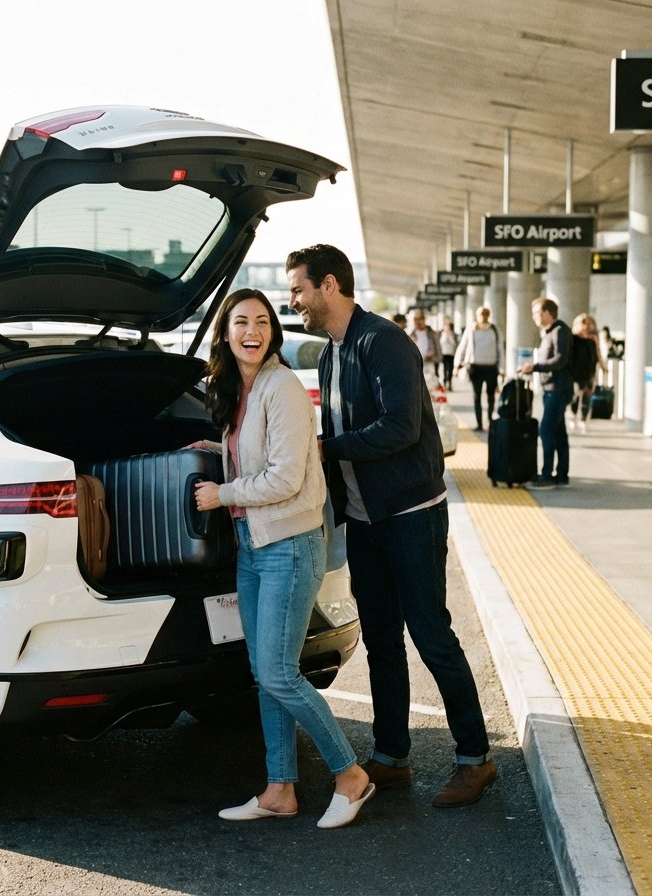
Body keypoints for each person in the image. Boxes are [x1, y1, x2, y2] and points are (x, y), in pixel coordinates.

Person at [285, 244, 496, 809]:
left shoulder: (385, 342)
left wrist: (326, 447)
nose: (294, 300)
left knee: (431, 634)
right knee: (381, 640)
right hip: (366, 520)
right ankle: (391, 755)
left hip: (410, 515)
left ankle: (475, 758)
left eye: (298, 290)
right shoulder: (329, 354)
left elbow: (400, 427)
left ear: (329, 285)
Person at [189, 287, 374, 830]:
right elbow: (255, 457)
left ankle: (350, 775)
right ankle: (279, 790)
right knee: (263, 673)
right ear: (225, 332)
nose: (253, 331)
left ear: (273, 331)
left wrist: (221, 494)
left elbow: (287, 476)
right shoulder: (239, 392)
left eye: (263, 321)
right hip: (254, 547)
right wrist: (212, 454)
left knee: (277, 671)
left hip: (290, 546)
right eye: (241, 321)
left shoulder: (283, 387)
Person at [519, 297, 572, 488]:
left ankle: (547, 474)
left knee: (546, 429)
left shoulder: (559, 331)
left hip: (558, 389)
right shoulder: (549, 332)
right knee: (558, 432)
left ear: (548, 312)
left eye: (537, 312)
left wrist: (535, 367)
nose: (534, 316)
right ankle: (562, 475)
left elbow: (560, 360)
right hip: (552, 388)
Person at [453, 306, 504, 431]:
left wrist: (502, 368)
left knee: (491, 395)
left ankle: (490, 420)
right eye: (481, 314)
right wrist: (456, 365)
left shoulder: (494, 330)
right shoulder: (471, 329)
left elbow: (500, 349)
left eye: (485, 314)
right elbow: (462, 346)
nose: (483, 316)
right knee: (477, 396)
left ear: (489, 315)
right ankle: (479, 424)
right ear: (477, 316)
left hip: (491, 367)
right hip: (476, 367)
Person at [568, 313, 607, 434]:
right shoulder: (573, 338)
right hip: (576, 370)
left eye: (588, 322)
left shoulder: (593, 339)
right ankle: (573, 415)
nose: (586, 325)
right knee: (576, 394)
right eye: (584, 322)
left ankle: (583, 419)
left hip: (589, 369)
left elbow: (597, 353)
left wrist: (602, 365)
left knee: (587, 394)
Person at [408, 309, 440, 382]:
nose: (417, 322)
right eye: (415, 319)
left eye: (419, 319)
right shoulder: (411, 334)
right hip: (416, 365)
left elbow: (437, 349)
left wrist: (432, 353)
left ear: (424, 319)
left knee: (430, 386)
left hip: (429, 363)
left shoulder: (431, 333)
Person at [438, 316, 459, 390]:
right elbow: (441, 343)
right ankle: (444, 382)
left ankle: (449, 382)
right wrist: (445, 335)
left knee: (450, 369)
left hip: (451, 354)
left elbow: (454, 344)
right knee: (444, 369)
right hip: (444, 353)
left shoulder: (454, 334)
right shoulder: (442, 334)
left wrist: (449, 336)